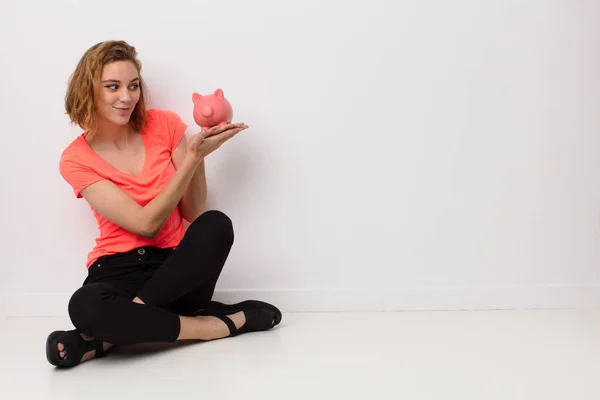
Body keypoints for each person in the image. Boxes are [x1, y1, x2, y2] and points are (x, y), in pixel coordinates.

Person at [46, 40, 282, 368]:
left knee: (216, 224)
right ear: (88, 90)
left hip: (175, 272)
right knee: (84, 306)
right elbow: (145, 224)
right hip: (117, 272)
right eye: (112, 87)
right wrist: (189, 160)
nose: (126, 97)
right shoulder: (75, 159)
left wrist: (197, 157)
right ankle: (211, 325)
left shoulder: (164, 125)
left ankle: (107, 336)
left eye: (133, 86)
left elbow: (192, 211)